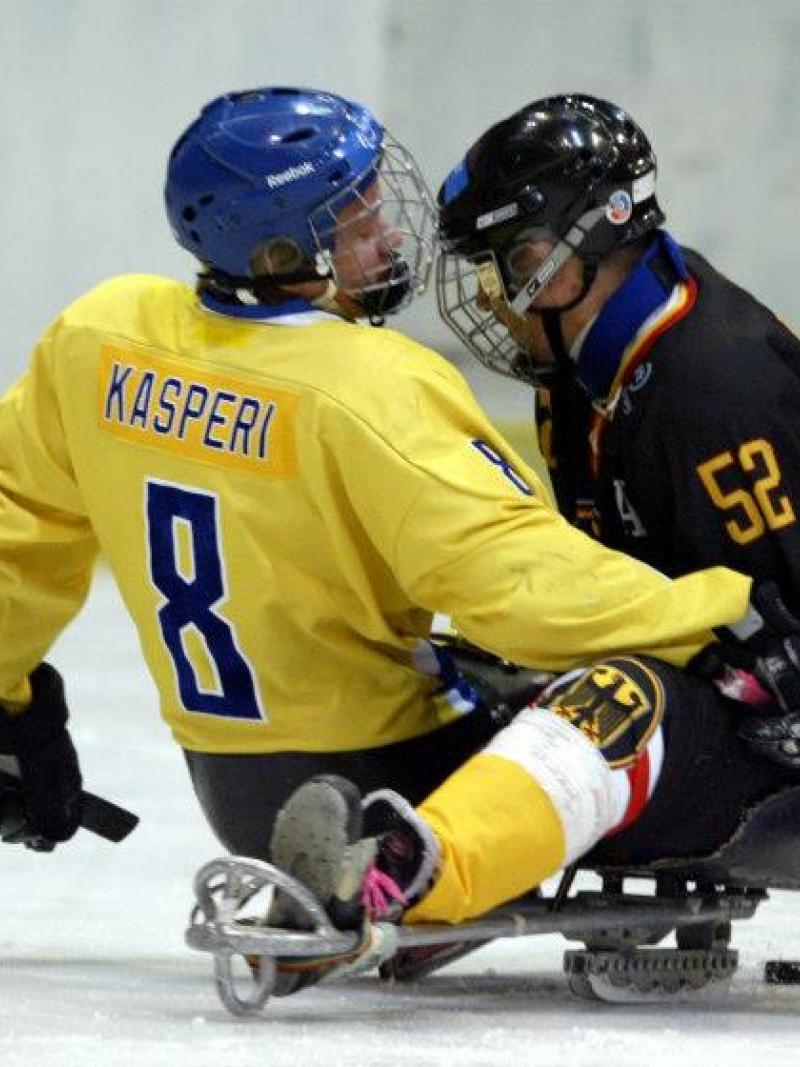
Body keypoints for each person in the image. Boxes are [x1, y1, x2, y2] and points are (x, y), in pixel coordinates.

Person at [0, 85, 797, 932]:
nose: (388, 237)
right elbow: (521, 584)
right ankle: (411, 867)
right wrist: (724, 615)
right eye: (356, 222)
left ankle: (380, 860)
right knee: (612, 693)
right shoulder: (370, 385)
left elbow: (14, 522)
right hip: (384, 777)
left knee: (503, 665)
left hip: (235, 788)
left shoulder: (99, 337)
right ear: (282, 253)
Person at [435, 93, 800, 717]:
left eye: (497, 270)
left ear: (549, 259)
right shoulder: (577, 369)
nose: (487, 301)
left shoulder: (712, 399)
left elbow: (780, 653)